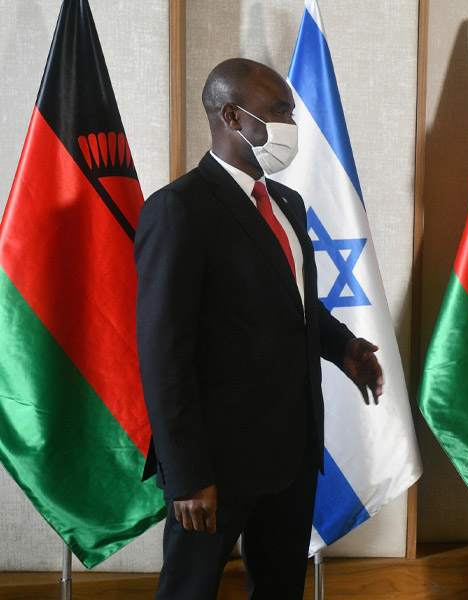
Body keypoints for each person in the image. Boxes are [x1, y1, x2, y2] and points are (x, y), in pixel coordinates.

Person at [135, 57, 383, 600]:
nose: (291, 125)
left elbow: (296, 306)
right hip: (214, 468)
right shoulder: (178, 209)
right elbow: (162, 356)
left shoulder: (287, 204)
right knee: (189, 591)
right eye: (279, 112)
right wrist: (187, 474)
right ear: (232, 115)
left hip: (290, 453)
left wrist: (345, 348)